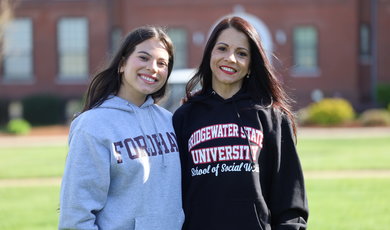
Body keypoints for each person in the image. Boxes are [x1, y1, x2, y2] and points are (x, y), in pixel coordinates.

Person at [173, 16, 308, 230]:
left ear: (251, 64)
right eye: (222, 49)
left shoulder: (272, 117)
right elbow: (172, 194)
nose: (231, 59)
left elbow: (290, 198)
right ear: (210, 53)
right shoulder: (185, 116)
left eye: (242, 54)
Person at [59, 26, 184, 230]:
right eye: (144, 58)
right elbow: (75, 217)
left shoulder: (169, 121)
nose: (153, 68)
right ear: (122, 64)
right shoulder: (93, 125)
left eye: (162, 63)